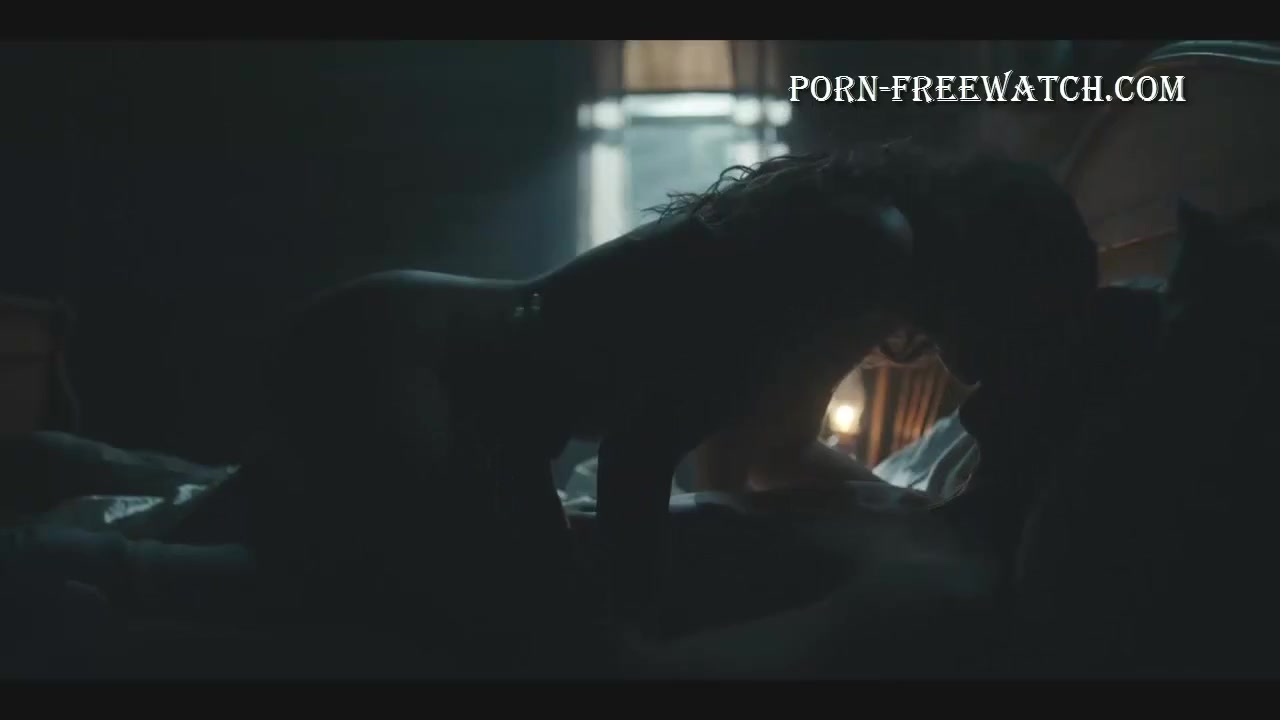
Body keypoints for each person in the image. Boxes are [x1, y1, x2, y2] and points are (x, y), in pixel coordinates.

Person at [249, 143, 1098, 675]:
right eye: (1032, 320)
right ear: (1006, 271)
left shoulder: (871, 246)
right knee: (431, 635)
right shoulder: (866, 243)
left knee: (346, 593)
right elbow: (642, 447)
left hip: (404, 342)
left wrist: (906, 510)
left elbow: (770, 451)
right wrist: (632, 627)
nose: (1004, 363)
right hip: (407, 366)